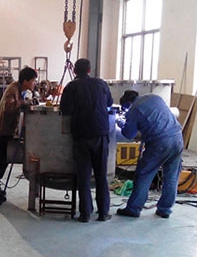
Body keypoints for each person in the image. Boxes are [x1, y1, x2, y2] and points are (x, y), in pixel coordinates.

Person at [59, 58, 113, 222]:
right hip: (100, 134)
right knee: (101, 175)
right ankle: (103, 212)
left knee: (83, 176)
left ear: (74, 71)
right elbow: (109, 103)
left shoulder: (71, 87)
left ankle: (85, 214)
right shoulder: (101, 84)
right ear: (89, 70)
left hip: (81, 135)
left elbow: (65, 110)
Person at [116, 92, 184, 219]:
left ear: (128, 103)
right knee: (171, 176)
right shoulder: (155, 97)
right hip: (177, 137)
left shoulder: (134, 110)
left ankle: (133, 209)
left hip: (160, 143)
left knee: (144, 174)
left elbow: (129, 134)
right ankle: (165, 209)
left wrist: (121, 123)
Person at [0, 66, 38, 203]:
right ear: (25, 81)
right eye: (33, 81)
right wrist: (25, 102)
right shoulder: (12, 89)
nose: (34, 84)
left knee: (4, 161)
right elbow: (8, 107)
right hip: (1, 130)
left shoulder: (21, 90)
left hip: (8, 131)